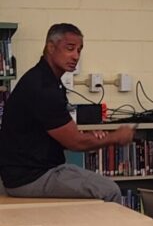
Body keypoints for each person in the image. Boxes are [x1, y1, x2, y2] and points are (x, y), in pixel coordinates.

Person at [0, 24, 134, 202]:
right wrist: (116, 137)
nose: (76, 56)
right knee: (109, 190)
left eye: (79, 50)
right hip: (32, 177)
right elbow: (76, 143)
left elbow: (60, 135)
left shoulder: (43, 79)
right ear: (51, 47)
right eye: (70, 48)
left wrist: (91, 137)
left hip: (24, 173)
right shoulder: (44, 87)